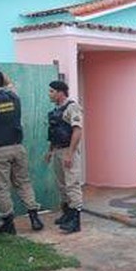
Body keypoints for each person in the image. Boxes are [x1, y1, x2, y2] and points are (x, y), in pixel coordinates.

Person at [0, 69, 43, 234]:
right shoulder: (14, 98)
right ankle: (34, 217)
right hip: (18, 148)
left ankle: (8, 223)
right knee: (23, 182)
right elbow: (8, 82)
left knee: (1, 187)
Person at [45, 80, 83, 233]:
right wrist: (50, 151)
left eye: (52, 91)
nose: (50, 94)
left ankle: (75, 220)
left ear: (60, 92)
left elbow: (77, 131)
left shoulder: (72, 107)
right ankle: (67, 214)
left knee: (72, 184)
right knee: (62, 185)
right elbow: (55, 134)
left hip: (68, 150)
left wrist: (70, 153)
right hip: (58, 150)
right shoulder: (56, 110)